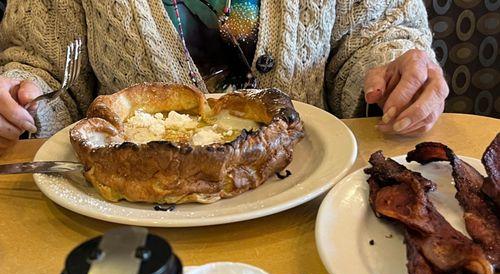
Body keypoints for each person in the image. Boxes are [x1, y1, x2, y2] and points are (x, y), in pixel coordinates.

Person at [0, 0, 448, 152]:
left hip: (306, 201)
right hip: (139, 219)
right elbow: (42, 64)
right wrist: (21, 100)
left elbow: (377, 31)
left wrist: (394, 74)